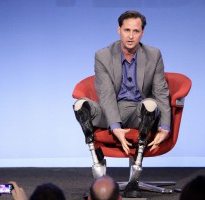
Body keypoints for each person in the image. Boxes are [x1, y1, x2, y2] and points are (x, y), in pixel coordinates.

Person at [73, 10, 171, 198]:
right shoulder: (103, 55)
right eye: (127, 30)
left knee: (150, 105)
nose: (131, 36)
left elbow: (161, 91)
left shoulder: (153, 55)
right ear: (119, 30)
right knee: (81, 106)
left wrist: (165, 126)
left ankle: (134, 179)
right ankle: (98, 162)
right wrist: (115, 126)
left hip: (138, 112)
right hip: (109, 110)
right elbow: (106, 94)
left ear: (142, 33)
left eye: (136, 31)